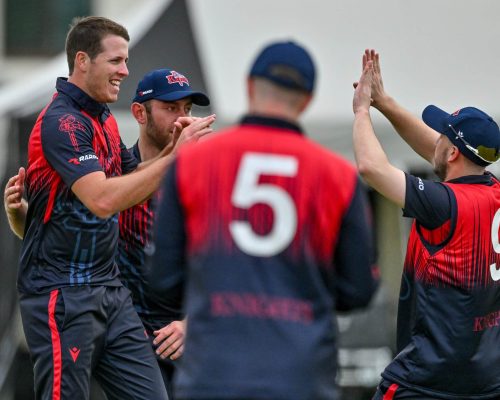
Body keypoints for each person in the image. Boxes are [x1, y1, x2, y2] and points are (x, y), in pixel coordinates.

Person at [148, 40, 379, 400]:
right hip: (300, 377)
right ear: (307, 100)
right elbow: (357, 290)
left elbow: (164, 279)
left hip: (213, 373)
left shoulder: (192, 165)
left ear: (249, 87)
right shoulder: (338, 177)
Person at [15, 16, 214, 400]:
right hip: (64, 294)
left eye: (126, 60)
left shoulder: (103, 118)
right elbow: (104, 199)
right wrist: (177, 159)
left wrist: (176, 151)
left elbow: (132, 175)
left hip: (110, 292)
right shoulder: (62, 122)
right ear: (82, 61)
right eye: (116, 61)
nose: (125, 70)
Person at [353, 49, 500, 399]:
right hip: (484, 379)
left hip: (426, 380)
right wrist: (385, 103)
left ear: (452, 153)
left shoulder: (443, 203)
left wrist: (362, 112)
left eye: (442, 137)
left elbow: (372, 168)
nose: (434, 140)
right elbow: (439, 154)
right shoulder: (493, 190)